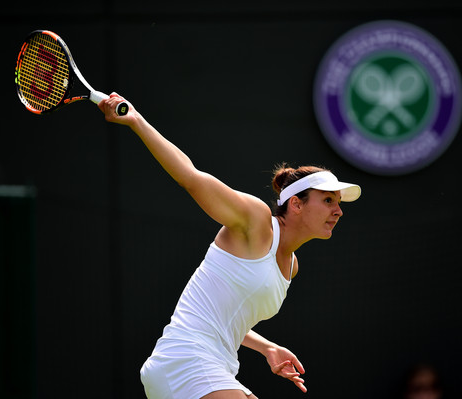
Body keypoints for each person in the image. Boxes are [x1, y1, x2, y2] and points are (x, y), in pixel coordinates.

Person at [98, 94, 362, 399]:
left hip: (215, 365)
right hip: (185, 358)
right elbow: (191, 177)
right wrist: (136, 121)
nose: (338, 211)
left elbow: (226, 316)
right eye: (328, 200)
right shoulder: (256, 221)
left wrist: (268, 348)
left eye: (338, 203)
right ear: (296, 204)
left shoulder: (291, 265)